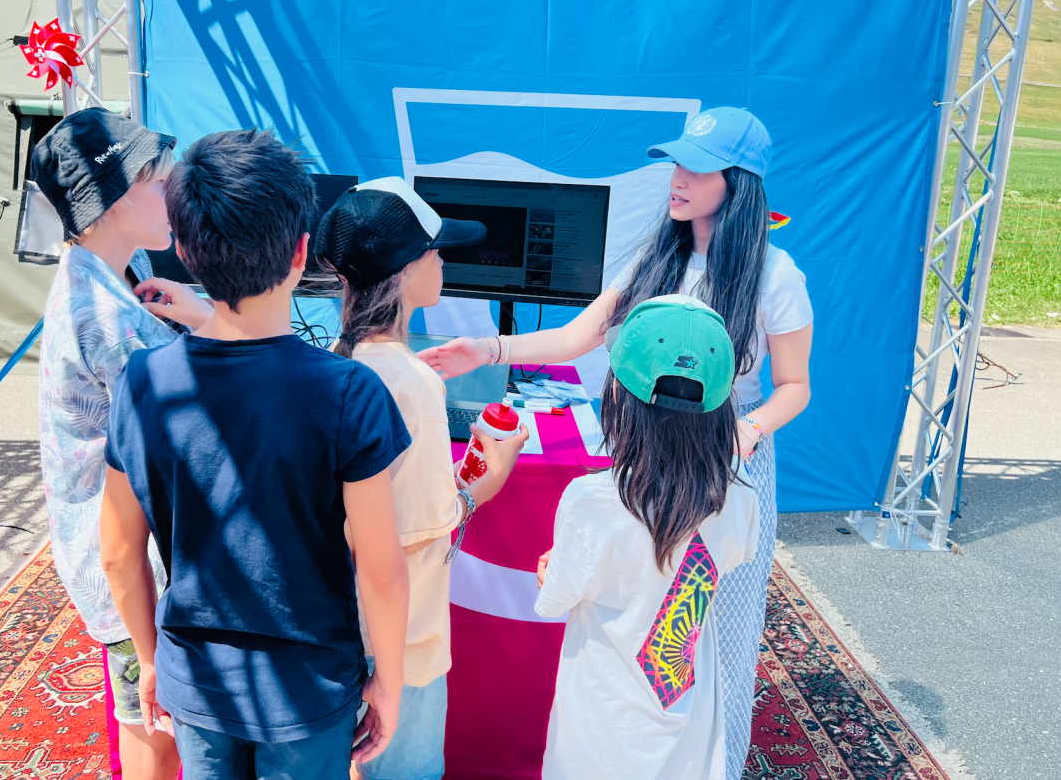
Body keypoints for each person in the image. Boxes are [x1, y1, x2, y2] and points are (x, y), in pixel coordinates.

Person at [419, 107, 812, 779]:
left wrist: (750, 428)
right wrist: (487, 347)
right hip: (647, 461)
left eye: (697, 166)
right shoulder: (656, 256)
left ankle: (710, 757)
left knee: (706, 631)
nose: (678, 178)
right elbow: (579, 337)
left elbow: (794, 385)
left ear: (739, 181)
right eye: (677, 162)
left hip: (725, 472)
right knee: (632, 617)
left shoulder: (777, 276)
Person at [97, 130, 412, 780]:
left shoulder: (142, 382)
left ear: (183, 248)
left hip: (197, 684)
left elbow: (118, 550)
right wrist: (390, 681)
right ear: (302, 252)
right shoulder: (349, 391)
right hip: (311, 692)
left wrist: (152, 658)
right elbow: (382, 567)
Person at [314, 177, 530, 780]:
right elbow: (422, 532)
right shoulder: (413, 384)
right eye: (434, 250)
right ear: (406, 269)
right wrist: (483, 479)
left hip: (340, 629)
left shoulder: (337, 359)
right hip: (401, 643)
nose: (442, 259)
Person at [33, 107, 213, 780]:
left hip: (118, 550)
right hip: (128, 563)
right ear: (108, 198)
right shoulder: (108, 319)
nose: (171, 190)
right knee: (155, 739)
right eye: (154, 177)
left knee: (152, 730)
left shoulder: (103, 270)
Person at [534, 295, 759, 779]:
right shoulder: (739, 494)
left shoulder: (592, 501)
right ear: (722, 407)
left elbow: (554, 600)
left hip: (600, 734)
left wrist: (551, 568)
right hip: (689, 729)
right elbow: (733, 554)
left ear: (616, 395)